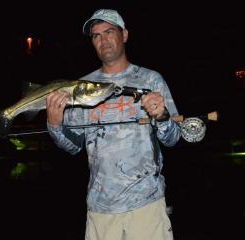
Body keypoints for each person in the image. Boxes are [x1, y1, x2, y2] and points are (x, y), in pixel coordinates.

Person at [46, 9, 181, 240]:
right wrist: (55, 124)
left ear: (124, 35)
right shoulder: (81, 88)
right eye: (96, 35)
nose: (103, 40)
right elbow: (72, 146)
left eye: (109, 32)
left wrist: (162, 117)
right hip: (101, 208)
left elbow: (173, 138)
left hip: (146, 204)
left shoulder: (150, 79)